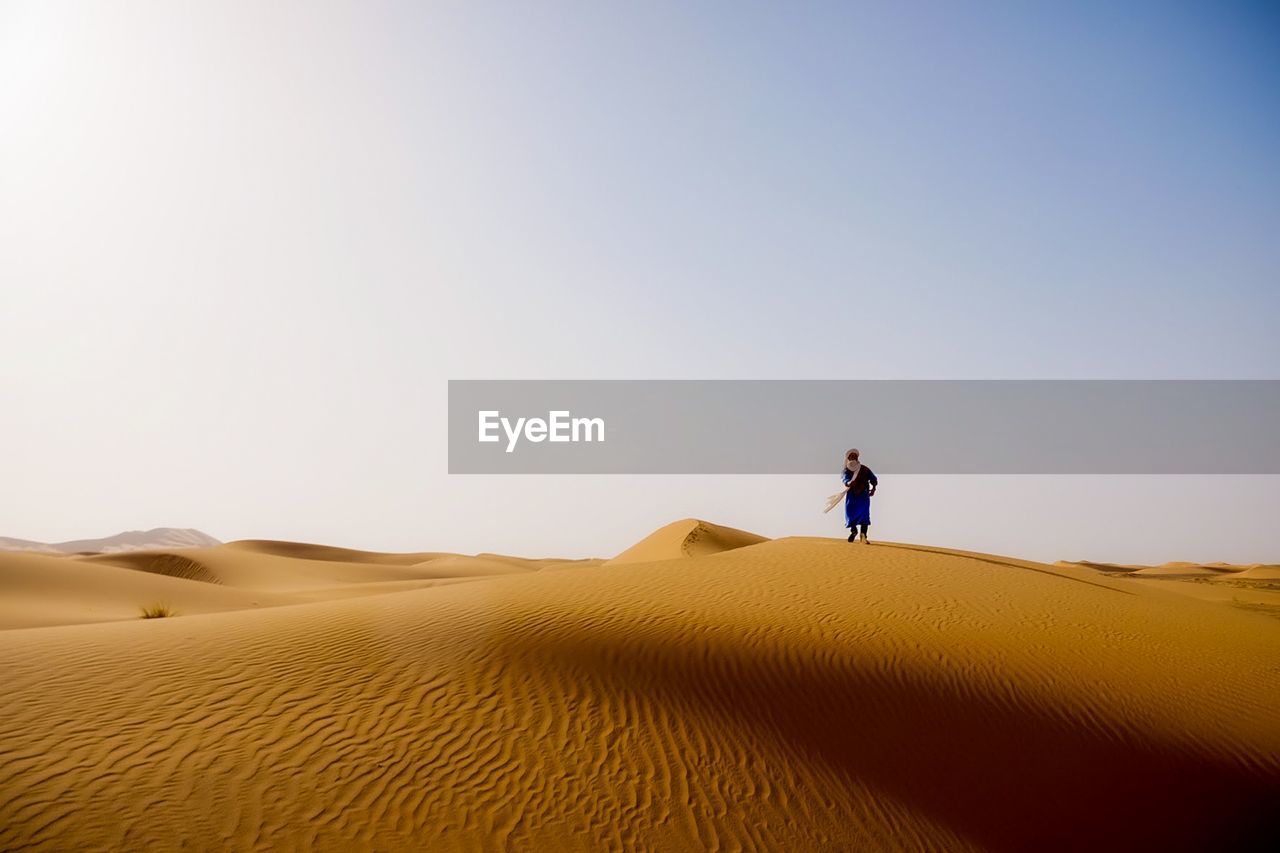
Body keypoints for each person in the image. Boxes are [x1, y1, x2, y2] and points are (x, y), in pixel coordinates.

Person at [843, 448, 877, 543]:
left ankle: (863, 535)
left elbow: (873, 479)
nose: (853, 457)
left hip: (863, 495)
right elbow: (845, 479)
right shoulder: (847, 470)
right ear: (848, 458)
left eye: (855, 456)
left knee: (864, 515)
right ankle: (854, 531)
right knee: (850, 513)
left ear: (857, 457)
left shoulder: (864, 469)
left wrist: (873, 488)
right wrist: (849, 482)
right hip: (851, 495)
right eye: (851, 456)